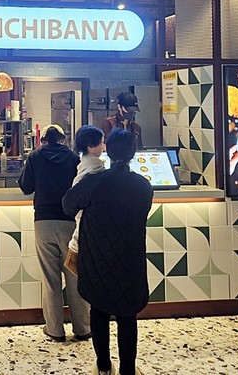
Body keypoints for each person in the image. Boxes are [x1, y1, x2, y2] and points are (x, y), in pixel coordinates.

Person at [63, 129, 153, 375]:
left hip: (97, 257)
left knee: (99, 310)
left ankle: (103, 367)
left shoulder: (95, 182)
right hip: (131, 259)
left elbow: (68, 204)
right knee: (127, 316)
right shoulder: (143, 186)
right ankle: (128, 370)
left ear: (107, 151)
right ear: (133, 153)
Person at [18, 124, 90, 342]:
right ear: (62, 139)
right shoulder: (73, 158)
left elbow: (26, 187)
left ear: (43, 140)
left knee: (50, 278)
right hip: (69, 221)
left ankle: (55, 330)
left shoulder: (35, 156)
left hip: (44, 221)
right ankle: (83, 328)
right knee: (75, 276)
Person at [64, 125, 105, 275]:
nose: (103, 147)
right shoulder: (95, 170)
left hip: (80, 234)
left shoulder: (84, 166)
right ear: (90, 146)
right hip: (87, 235)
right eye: (100, 143)